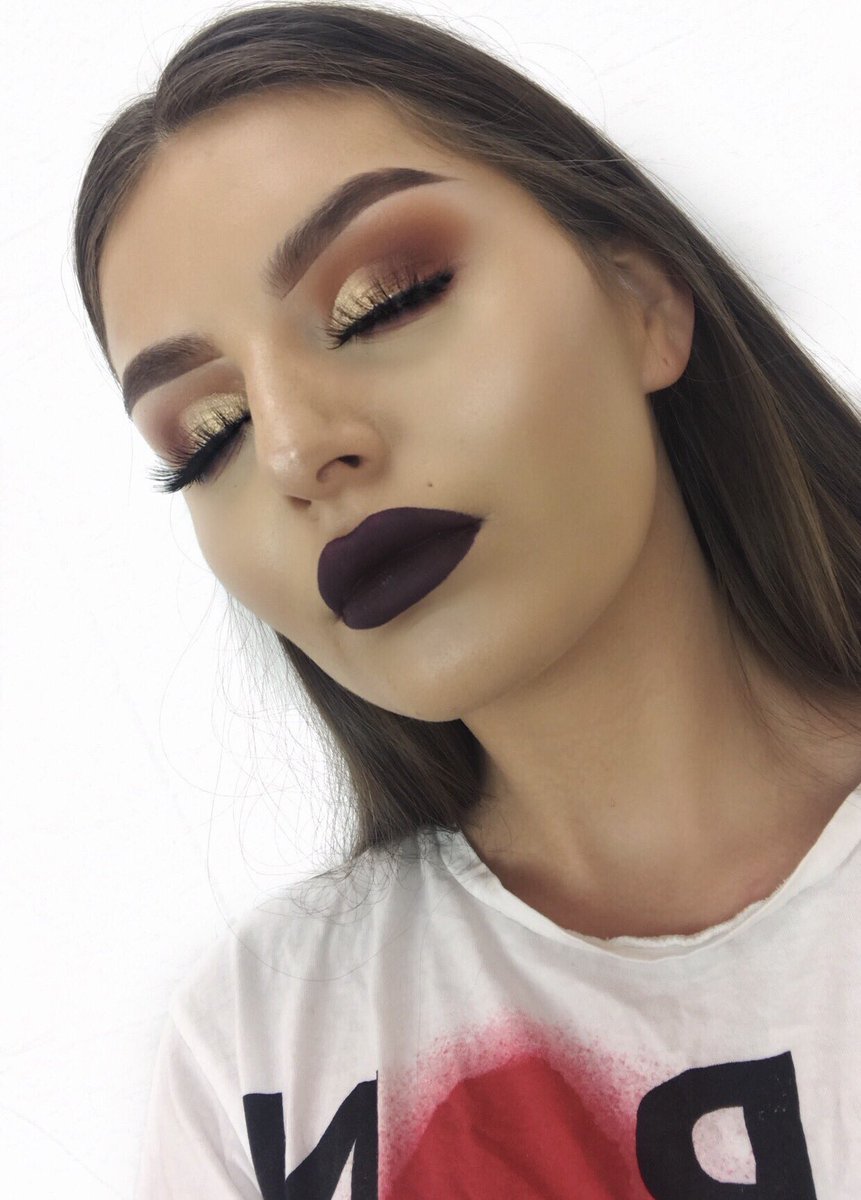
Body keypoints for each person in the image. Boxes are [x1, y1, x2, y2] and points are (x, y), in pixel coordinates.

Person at [73, 2, 861, 1195]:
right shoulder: (263, 1048)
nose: (292, 451)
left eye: (384, 301)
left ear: (643, 299)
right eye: (210, 435)